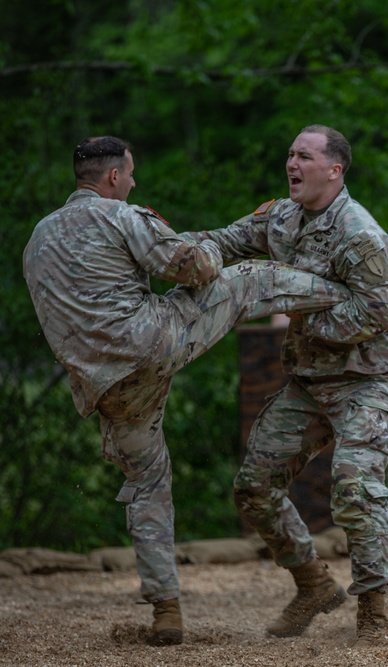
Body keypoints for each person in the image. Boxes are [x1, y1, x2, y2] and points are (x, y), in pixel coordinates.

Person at [22, 136, 355, 647]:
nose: (133, 183)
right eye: (130, 175)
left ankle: (167, 612)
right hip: (151, 344)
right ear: (114, 178)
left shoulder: (39, 238)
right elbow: (196, 270)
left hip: (102, 386)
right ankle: (362, 295)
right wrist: (199, 245)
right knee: (246, 281)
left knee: (148, 486)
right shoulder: (123, 216)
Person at [186, 124, 388, 647]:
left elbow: (379, 310)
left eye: (305, 156)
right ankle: (312, 584)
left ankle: (373, 613)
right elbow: (224, 241)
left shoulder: (359, 232)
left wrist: (302, 316)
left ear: (334, 169)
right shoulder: (282, 217)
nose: (292, 164)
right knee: (253, 488)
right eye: (290, 154)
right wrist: (168, 251)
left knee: (355, 490)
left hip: (367, 380)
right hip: (310, 382)